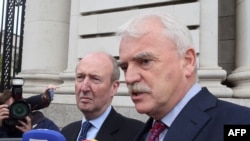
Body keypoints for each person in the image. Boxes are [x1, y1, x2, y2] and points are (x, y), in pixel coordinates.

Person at [117, 11, 250, 141]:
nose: (129, 78)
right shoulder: (145, 133)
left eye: (145, 61)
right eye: (125, 67)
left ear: (188, 61)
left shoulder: (240, 125)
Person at [61, 52, 144, 141]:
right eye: (80, 77)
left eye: (95, 79)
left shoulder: (137, 134)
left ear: (114, 87)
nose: (84, 88)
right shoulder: (66, 133)